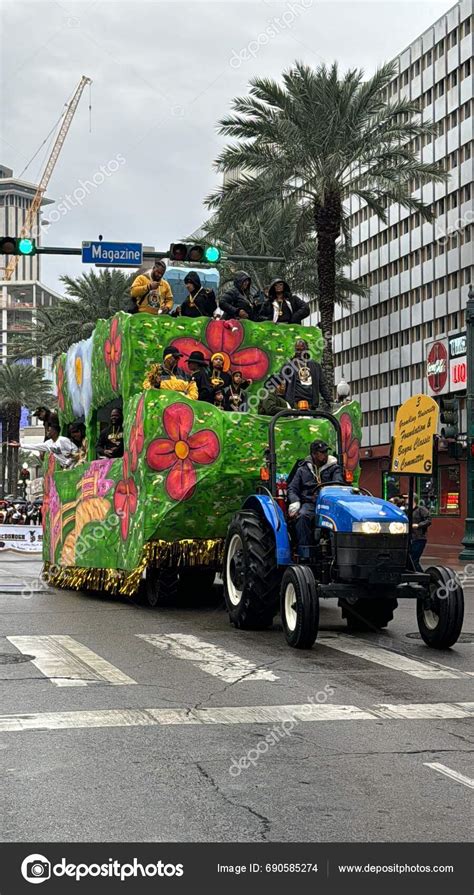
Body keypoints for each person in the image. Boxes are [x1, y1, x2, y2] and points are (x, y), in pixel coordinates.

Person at [288, 440, 344, 548]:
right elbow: (292, 488)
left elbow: (338, 484)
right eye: (321, 452)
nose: (325, 454)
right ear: (314, 454)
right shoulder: (302, 470)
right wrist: (295, 501)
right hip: (310, 503)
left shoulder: (334, 468)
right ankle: (305, 551)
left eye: (326, 452)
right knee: (303, 516)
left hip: (329, 504)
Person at [284, 339, 332, 410]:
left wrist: (330, 401)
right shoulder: (289, 366)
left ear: (307, 350)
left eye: (302, 350)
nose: (299, 352)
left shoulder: (315, 366)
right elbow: (281, 384)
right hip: (294, 406)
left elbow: (323, 385)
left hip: (311, 405)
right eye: (297, 350)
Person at [10, 421, 77, 469]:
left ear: (55, 431)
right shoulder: (48, 443)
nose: (47, 432)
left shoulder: (63, 440)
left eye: (49, 430)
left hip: (74, 465)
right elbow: (35, 446)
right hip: (65, 468)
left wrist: (68, 462)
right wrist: (20, 445)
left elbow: (76, 450)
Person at [410, 497, 431, 571]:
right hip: (411, 538)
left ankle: (423, 577)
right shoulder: (407, 510)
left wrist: (418, 525)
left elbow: (428, 520)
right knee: (411, 559)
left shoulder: (421, 509)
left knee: (414, 559)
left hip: (419, 538)